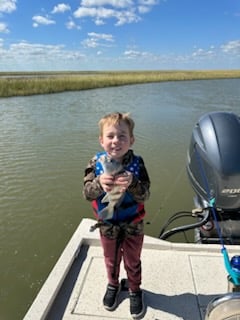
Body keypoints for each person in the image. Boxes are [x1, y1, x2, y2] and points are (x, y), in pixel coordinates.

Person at [83, 112, 150, 319]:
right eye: (110, 136)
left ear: (132, 140)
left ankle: (134, 288)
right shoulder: (95, 163)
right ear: (101, 140)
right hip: (107, 223)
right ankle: (113, 285)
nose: (116, 141)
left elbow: (145, 194)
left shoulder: (137, 163)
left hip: (133, 223)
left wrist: (133, 183)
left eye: (122, 136)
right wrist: (98, 184)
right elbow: (86, 193)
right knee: (110, 259)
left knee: (133, 259)